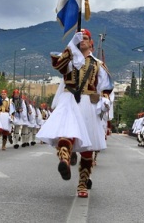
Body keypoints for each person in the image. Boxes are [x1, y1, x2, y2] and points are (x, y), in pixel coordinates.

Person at [36, 29, 113, 198]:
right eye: (80, 38)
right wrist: (71, 47)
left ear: (91, 42)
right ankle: (64, 161)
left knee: (87, 149)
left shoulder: (98, 64)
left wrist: (105, 100)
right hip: (69, 100)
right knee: (66, 134)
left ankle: (82, 184)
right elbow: (58, 65)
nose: (82, 41)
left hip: (88, 104)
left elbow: (106, 87)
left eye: (85, 38)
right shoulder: (70, 61)